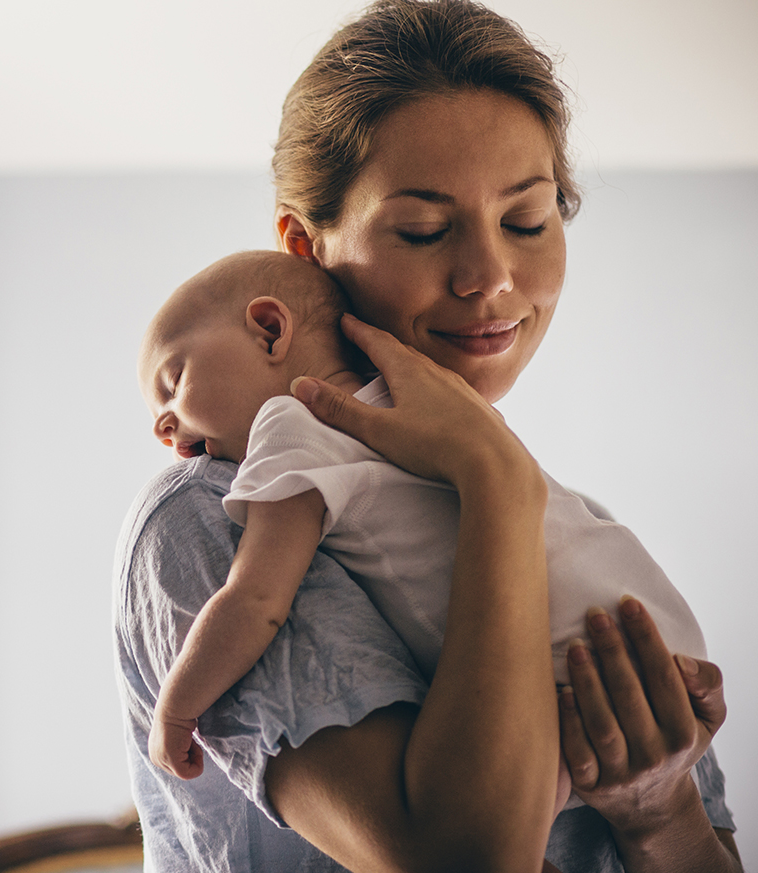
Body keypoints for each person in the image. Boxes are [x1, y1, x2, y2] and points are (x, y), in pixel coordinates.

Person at [114, 0, 740, 872]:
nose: (488, 277)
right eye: (422, 229)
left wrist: (660, 812)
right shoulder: (213, 513)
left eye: (528, 217)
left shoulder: (571, 536)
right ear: (306, 250)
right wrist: (496, 482)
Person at [138, 247, 708, 819]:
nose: (164, 426)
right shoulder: (438, 408)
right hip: (658, 636)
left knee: (497, 825)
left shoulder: (291, 425)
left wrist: (177, 709)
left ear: (268, 331)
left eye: (173, 381)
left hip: (570, 657)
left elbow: (256, 598)